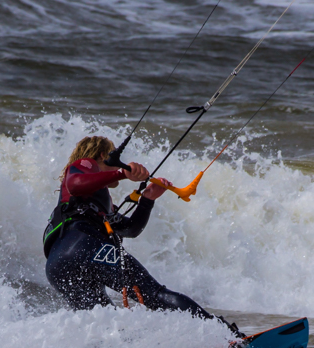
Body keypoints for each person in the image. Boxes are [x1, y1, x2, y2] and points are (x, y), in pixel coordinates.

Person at [43, 135, 243, 336]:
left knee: (103, 325)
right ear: (103, 155)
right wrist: (122, 173)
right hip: (81, 244)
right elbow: (76, 183)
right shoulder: (84, 165)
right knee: (155, 294)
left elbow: (130, 229)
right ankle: (223, 334)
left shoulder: (95, 205)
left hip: (57, 265)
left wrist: (147, 199)